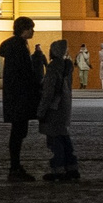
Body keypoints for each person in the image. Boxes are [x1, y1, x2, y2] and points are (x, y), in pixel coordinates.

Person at [0, 17, 44, 182]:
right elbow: (24, 73)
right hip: (19, 97)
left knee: (18, 132)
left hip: (15, 96)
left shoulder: (15, 45)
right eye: (31, 28)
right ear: (24, 29)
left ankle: (15, 167)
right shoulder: (19, 47)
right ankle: (15, 168)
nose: (33, 31)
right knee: (18, 133)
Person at [38, 38, 80, 181]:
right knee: (64, 137)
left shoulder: (53, 68)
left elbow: (48, 92)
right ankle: (72, 167)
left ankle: (58, 170)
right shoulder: (67, 67)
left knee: (55, 140)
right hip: (64, 105)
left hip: (53, 109)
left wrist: (41, 111)